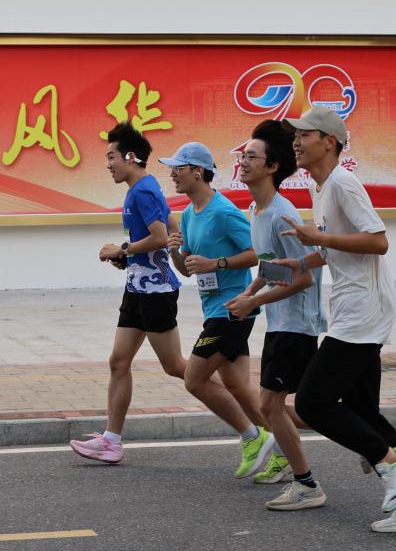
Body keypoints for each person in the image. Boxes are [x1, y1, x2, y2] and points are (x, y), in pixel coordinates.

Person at [272, 105, 396, 533]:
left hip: (365, 309)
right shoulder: (322, 186)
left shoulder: (343, 183)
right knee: (364, 410)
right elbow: (337, 246)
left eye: (304, 134)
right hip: (352, 306)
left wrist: (318, 237)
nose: (296, 142)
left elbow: (378, 241)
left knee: (312, 402)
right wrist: (305, 261)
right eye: (295, 135)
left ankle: (392, 464)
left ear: (329, 141)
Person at [226, 120, 328, 511]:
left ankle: (308, 483)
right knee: (286, 408)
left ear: (272, 167)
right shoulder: (257, 210)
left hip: (297, 323)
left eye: (252, 157)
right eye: (243, 155)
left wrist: (254, 303)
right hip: (280, 320)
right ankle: (362, 432)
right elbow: (272, 266)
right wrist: (249, 293)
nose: (243, 161)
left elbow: (303, 277)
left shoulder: (282, 214)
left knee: (271, 406)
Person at [69, 122, 186, 464]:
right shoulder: (141, 189)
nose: (108, 164)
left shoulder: (143, 190)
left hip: (155, 292)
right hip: (137, 287)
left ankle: (242, 407)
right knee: (118, 361)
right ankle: (111, 441)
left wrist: (122, 249)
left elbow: (160, 236)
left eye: (112, 156)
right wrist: (129, 258)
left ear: (130, 156)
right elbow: (172, 230)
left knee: (176, 367)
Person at [161, 141, 276, 478]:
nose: (173, 175)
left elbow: (257, 253)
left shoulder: (223, 211)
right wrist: (175, 252)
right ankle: (284, 450)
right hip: (214, 308)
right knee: (239, 388)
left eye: (179, 168)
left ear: (198, 171)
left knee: (195, 379)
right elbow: (188, 270)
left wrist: (217, 263)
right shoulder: (188, 215)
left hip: (233, 308)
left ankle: (252, 436)